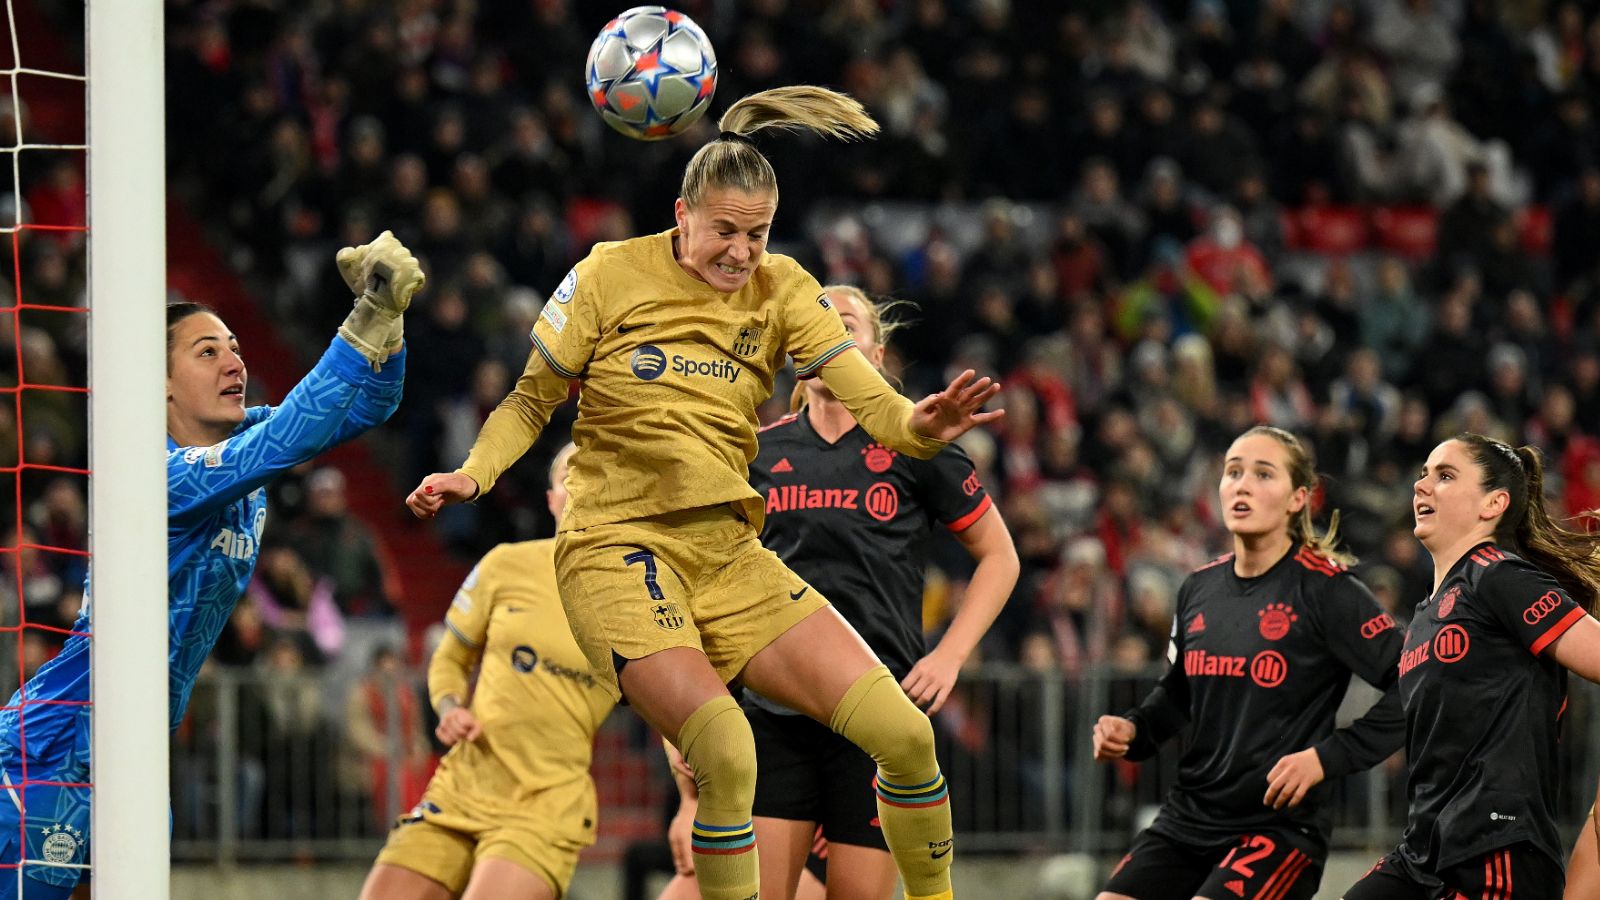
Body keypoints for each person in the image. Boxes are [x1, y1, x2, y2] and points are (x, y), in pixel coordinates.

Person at [408, 87, 1003, 900]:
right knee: (726, 748)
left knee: (905, 736)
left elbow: (871, 402)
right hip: (617, 547)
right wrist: (474, 473)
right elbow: (531, 399)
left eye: (756, 234)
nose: (740, 253)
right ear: (681, 213)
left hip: (727, 553)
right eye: (724, 231)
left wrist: (920, 423)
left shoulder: (785, 286)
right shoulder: (609, 274)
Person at [0, 231, 423, 899]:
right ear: (159, 386)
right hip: (51, 750)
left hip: (136, 755)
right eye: (207, 352)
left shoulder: (242, 450)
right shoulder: (150, 474)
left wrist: (389, 319)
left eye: (235, 347)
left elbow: (367, 405)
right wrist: (358, 322)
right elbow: (293, 435)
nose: (234, 362)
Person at [657, 286, 1020, 900]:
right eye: (814, 322)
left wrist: (949, 656)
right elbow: (697, 589)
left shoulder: (914, 446)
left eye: (845, 323)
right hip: (775, 716)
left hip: (877, 718)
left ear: (876, 356)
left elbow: (1000, 557)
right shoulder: (755, 453)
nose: (827, 332)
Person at [1092, 426, 1407, 900]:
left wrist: (1327, 758)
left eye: (1263, 474)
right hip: (1188, 818)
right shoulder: (1198, 588)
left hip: (1278, 828)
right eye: (1233, 471)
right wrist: (1134, 730)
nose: (1241, 484)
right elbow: (1177, 694)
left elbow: (1415, 681)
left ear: (1298, 498)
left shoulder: (1328, 590)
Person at [1341, 434, 1600, 900]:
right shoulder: (1425, 613)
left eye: (1445, 475)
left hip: (1495, 850)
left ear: (1493, 503)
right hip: (1422, 853)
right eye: (1423, 474)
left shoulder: (1498, 574)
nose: (1422, 485)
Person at [361, 443, 616, 900]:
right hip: (464, 788)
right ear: (551, 499)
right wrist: (449, 706)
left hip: (546, 803)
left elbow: (670, 707)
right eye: (568, 479)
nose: (580, 489)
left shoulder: (638, 597)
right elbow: (451, 659)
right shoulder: (504, 565)